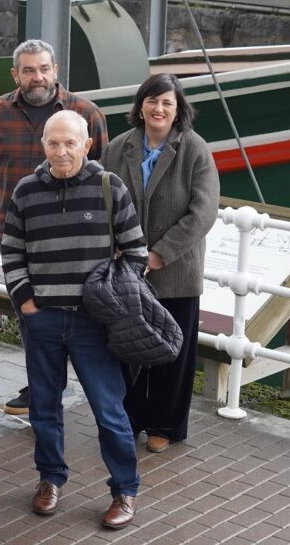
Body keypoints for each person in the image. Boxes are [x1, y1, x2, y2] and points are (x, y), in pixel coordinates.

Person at [0, 110, 147, 530]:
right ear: (42, 145)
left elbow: (136, 253)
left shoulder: (108, 186)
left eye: (70, 143)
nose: (61, 151)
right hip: (42, 320)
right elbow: (12, 252)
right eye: (52, 143)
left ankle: (124, 489)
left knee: (108, 409)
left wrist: (109, 301)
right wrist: (26, 302)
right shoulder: (26, 191)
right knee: (44, 409)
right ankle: (49, 479)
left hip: (92, 324)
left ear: (86, 145)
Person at [0, 38, 108, 417]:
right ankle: (41, 389)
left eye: (44, 69)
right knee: (27, 308)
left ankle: (81, 387)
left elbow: (100, 170)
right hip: (16, 232)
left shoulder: (86, 113)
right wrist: (18, 204)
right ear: (15, 74)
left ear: (56, 70)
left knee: (76, 310)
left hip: (74, 236)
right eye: (29, 70)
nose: (38, 77)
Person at [101, 74, 218, 454]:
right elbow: (100, 200)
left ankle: (164, 425)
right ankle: (129, 417)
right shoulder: (119, 148)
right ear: (140, 106)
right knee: (125, 344)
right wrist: (119, 247)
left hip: (176, 270)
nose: (159, 109)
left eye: (167, 102)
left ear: (179, 108)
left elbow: (203, 212)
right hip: (126, 269)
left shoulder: (195, 149)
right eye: (152, 101)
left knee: (174, 350)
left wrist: (160, 253)